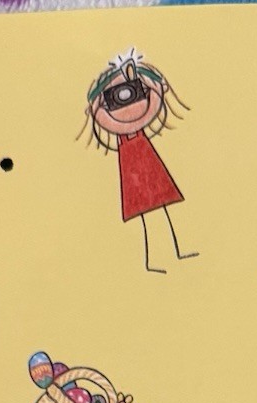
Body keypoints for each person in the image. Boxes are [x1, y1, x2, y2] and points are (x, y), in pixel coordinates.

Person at [82, 50, 196, 274]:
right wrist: (97, 109)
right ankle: (153, 260)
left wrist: (155, 88)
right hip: (132, 166)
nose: (125, 98)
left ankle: (174, 252)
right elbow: (108, 119)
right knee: (145, 215)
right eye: (116, 96)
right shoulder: (109, 120)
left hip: (147, 160)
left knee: (161, 207)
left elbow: (151, 105)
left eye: (133, 90)